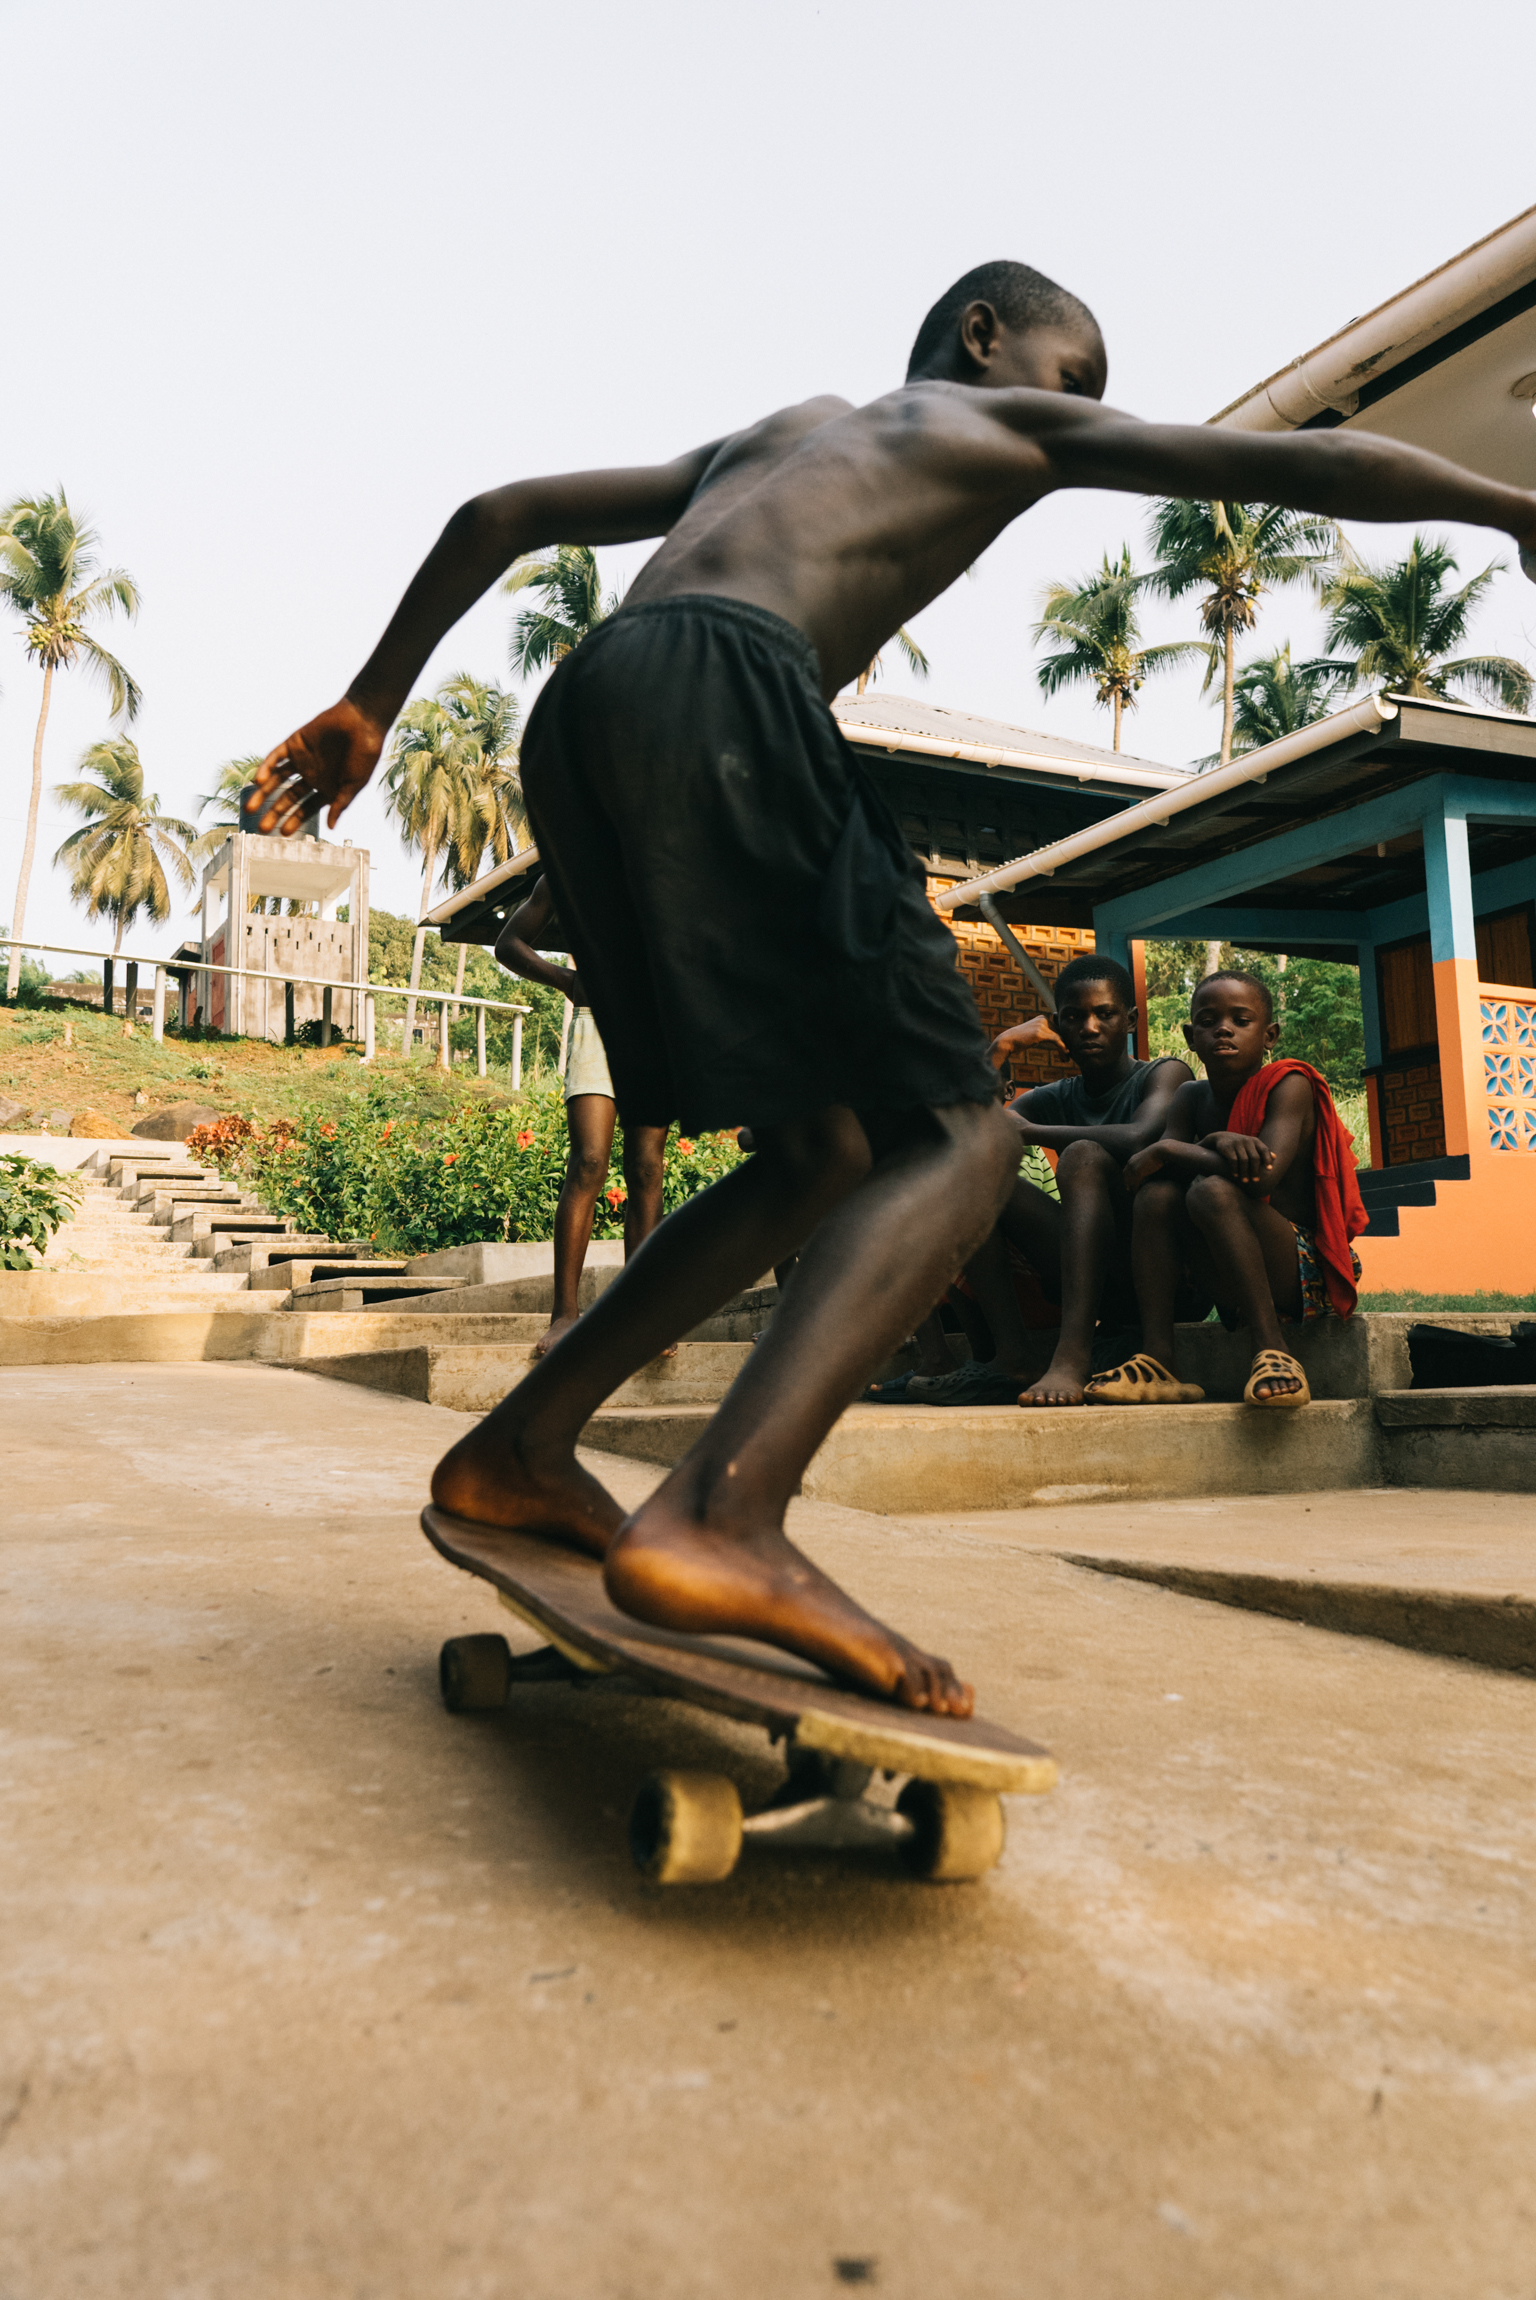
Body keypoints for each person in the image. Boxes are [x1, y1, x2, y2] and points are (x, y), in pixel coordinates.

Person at [253, 257, 1536, 1715]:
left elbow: (501, 517)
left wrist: (375, 699)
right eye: (1074, 379)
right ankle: (724, 1516)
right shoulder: (989, 427)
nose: (1082, 419)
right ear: (981, 336)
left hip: (592, 710)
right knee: (962, 1136)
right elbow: (1299, 465)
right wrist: (1512, 509)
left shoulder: (780, 429)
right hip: (736, 689)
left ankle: (523, 1448)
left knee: (822, 1151)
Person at [901, 953, 1193, 1406]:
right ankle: (1012, 1356)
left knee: (1083, 1155)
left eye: (1105, 1014)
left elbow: (1140, 1136)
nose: (1090, 1028)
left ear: (1131, 1020)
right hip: (1083, 1269)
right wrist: (999, 1049)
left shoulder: (1165, 1073)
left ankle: (1070, 1357)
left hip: (1160, 1272)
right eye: (1075, 1017)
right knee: (974, 1179)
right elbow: (967, 1141)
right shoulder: (1056, 1096)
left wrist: (1031, 1132)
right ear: (1058, 1024)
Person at [1085, 971, 1367, 1409]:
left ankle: (1273, 1349)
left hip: (1302, 1272)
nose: (1223, 1029)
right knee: (1159, 1197)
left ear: (1269, 1034)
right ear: (1189, 1035)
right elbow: (1160, 1175)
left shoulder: (1288, 1086)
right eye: (1208, 1020)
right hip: (1225, 1261)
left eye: (1241, 1020)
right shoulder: (1190, 1099)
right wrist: (1207, 1143)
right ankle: (1159, 1359)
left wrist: (1182, 1146)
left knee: (1210, 1191)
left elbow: (1262, 1177)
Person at [495, 873, 671, 1357]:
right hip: (598, 1023)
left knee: (646, 1167)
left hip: (658, 1030)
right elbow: (508, 944)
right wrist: (568, 980)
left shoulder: (672, 859)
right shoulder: (571, 867)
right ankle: (565, 1314)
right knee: (589, 1162)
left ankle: (640, 1315)